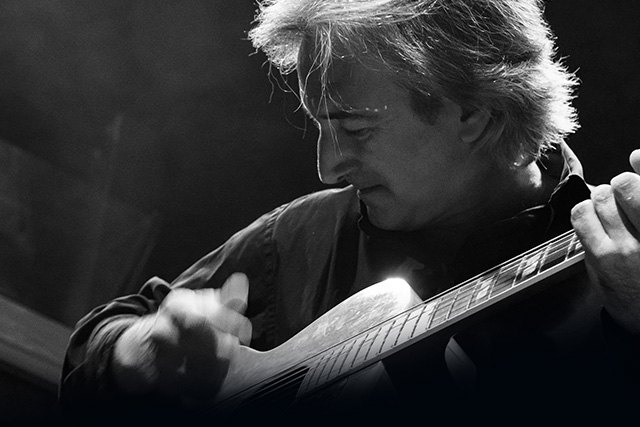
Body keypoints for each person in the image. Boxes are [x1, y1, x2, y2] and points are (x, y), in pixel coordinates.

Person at [59, 0, 640, 423]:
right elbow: (97, 347)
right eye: (319, 125)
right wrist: (136, 352)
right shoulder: (303, 235)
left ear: (476, 114)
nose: (327, 168)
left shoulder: (617, 267)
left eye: (356, 128)